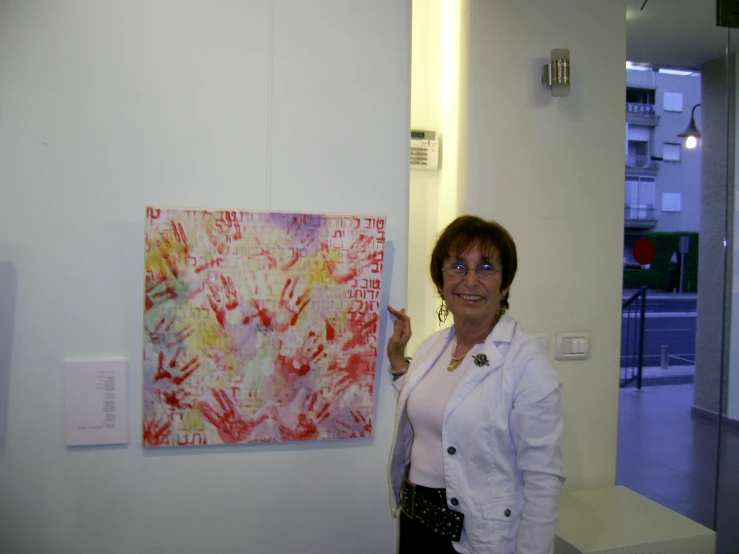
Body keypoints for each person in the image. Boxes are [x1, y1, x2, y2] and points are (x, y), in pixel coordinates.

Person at [386, 215, 564, 554]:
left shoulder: (526, 364)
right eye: (457, 266)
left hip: (474, 540)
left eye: (485, 267)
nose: (470, 280)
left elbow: (543, 480)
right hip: (416, 527)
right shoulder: (433, 347)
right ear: (441, 281)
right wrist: (398, 361)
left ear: (505, 284)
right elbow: (442, 409)